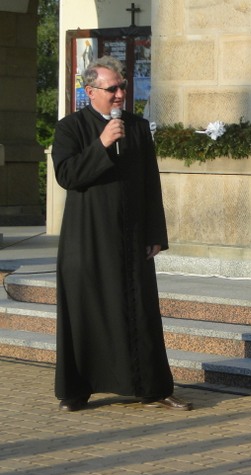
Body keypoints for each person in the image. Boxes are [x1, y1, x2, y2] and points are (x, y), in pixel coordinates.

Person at [51, 56, 192, 412]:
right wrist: (101, 143)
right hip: (87, 239)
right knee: (84, 312)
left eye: (122, 87)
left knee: (139, 311)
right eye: (112, 88)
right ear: (90, 92)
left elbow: (150, 183)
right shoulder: (70, 128)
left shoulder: (137, 127)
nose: (119, 94)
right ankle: (77, 390)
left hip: (131, 237)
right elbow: (67, 176)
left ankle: (153, 389)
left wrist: (155, 233)